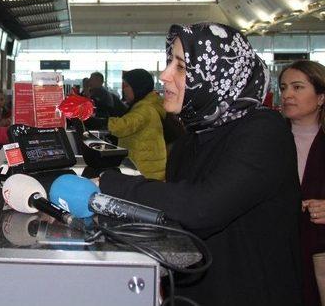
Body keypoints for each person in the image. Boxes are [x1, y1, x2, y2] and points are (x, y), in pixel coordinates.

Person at [100, 22, 301, 306]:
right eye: (170, 62)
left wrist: (107, 185)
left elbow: (200, 209)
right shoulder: (189, 141)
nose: (165, 75)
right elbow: (175, 223)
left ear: (218, 73)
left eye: (181, 67)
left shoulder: (264, 131)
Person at [279, 60, 325, 306]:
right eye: (284, 87)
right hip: (279, 252)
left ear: (320, 97)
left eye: (297, 87)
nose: (287, 95)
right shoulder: (268, 139)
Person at [107, 68, 166, 180]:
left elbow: (122, 127)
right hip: (147, 167)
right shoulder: (147, 104)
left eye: (127, 86)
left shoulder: (145, 108)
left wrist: (102, 121)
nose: (124, 89)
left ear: (137, 87)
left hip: (146, 171)